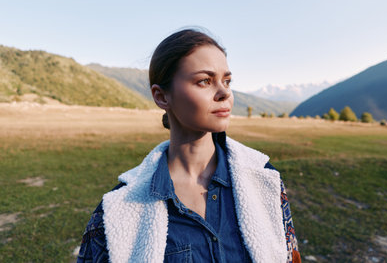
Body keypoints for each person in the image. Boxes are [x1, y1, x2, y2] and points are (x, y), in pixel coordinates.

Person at [77, 28, 301, 263]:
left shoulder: (265, 179)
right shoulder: (117, 210)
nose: (224, 92)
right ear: (162, 96)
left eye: (227, 80)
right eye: (205, 81)